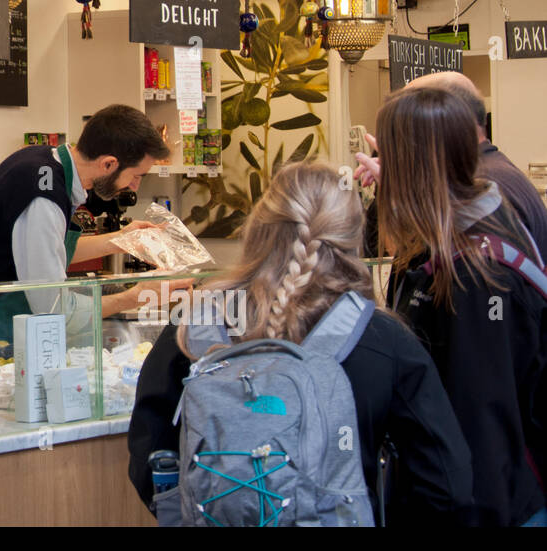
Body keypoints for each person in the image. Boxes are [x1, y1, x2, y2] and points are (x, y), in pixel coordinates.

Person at [128, 162, 474, 526]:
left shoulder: (197, 324)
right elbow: (447, 485)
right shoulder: (381, 339)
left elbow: (149, 458)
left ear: (257, 227)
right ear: (353, 237)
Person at [374, 85, 547, 526]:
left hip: (487, 509)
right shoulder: (460, 237)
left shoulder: (476, 273)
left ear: (410, 162)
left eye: (389, 155)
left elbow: (483, 422)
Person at [0, 104, 174, 343]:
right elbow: (53, 307)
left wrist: (123, 241)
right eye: (136, 176)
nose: (135, 186)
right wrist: (135, 297)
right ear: (108, 164)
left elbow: (45, 253)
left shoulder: (40, 158)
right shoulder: (43, 197)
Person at [356, 71, 547, 264]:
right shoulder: (488, 172)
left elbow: (437, 267)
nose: (403, 140)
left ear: (446, 119)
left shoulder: (478, 184)